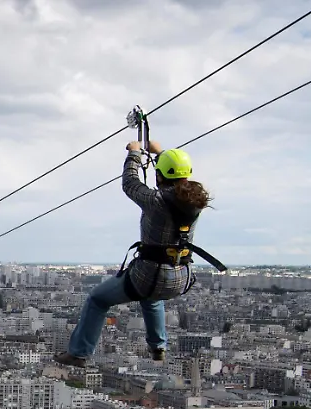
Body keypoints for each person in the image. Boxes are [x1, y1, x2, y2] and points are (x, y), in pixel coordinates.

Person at [54, 139, 213, 367]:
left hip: (150, 275)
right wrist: (160, 153)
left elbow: (130, 183)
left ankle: (79, 353)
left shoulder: (156, 201)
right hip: (181, 275)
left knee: (97, 299)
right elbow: (174, 180)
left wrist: (134, 153)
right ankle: (158, 347)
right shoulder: (195, 203)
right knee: (152, 296)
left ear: (160, 176)